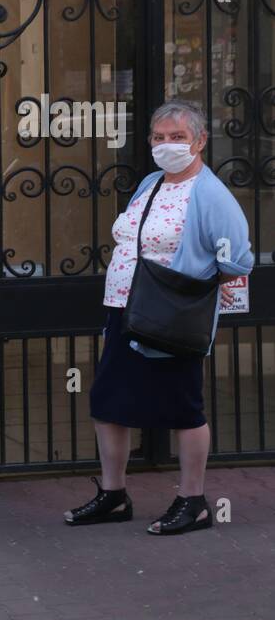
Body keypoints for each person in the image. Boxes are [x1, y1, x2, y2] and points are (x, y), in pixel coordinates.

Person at [66, 100, 254, 535]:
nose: (167, 145)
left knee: (182, 407)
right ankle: (113, 495)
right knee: (107, 403)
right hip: (124, 311)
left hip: (170, 319)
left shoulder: (209, 195)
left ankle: (193, 500)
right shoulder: (150, 183)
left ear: (200, 141)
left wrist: (189, 286)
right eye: (159, 137)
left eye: (178, 137)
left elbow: (237, 260)